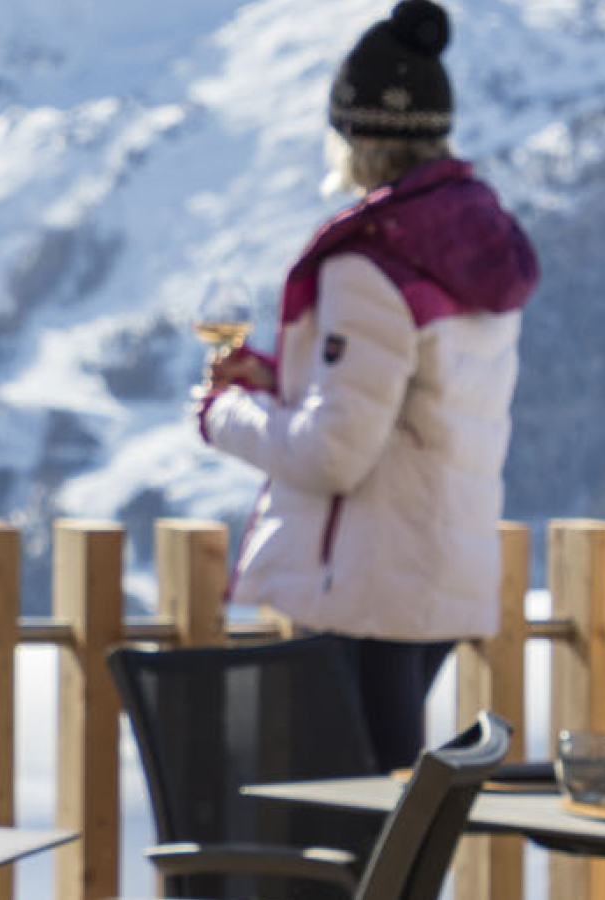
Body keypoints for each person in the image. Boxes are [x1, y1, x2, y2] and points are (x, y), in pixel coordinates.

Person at [194, 0, 539, 771]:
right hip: (439, 570)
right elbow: (415, 403)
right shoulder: (471, 246)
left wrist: (226, 414)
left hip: (371, 587)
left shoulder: (370, 262)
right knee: (388, 815)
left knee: (356, 831)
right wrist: (284, 379)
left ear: (352, 135)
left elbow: (335, 454)